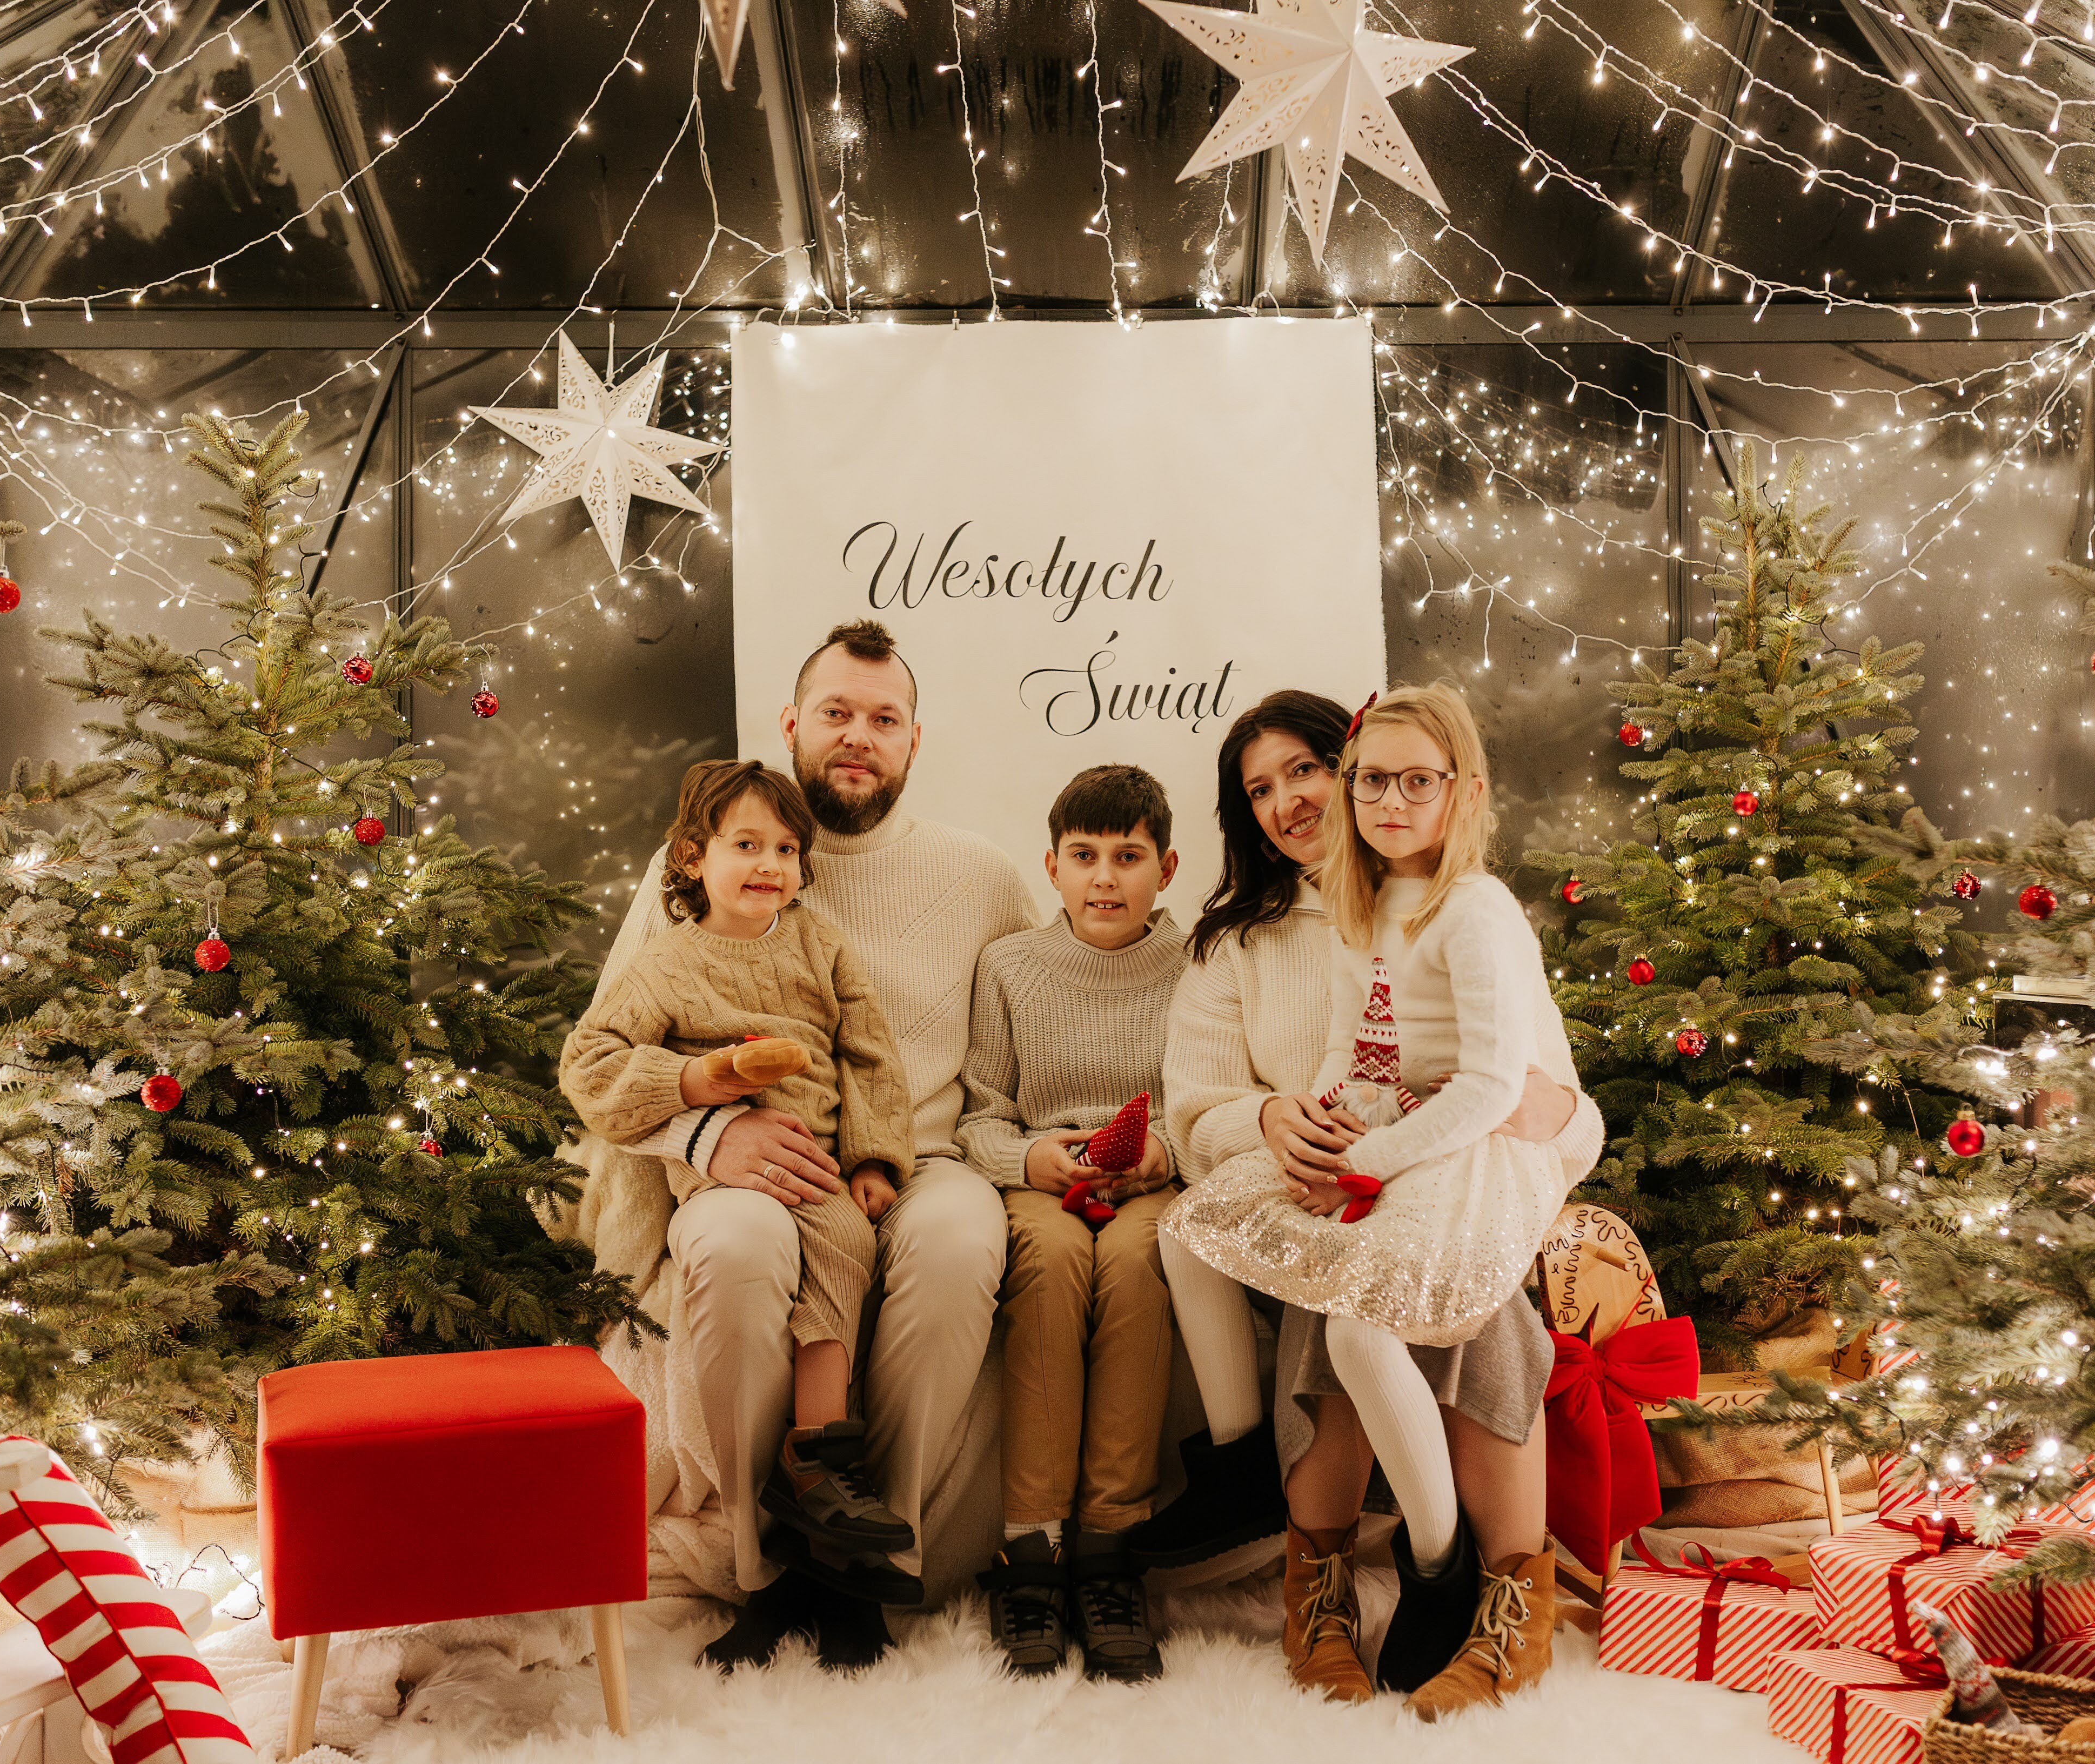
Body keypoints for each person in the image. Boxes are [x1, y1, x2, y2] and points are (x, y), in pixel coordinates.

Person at [566, 619, 1033, 1672]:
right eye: (835, 712)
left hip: (917, 1159)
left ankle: (866, 1558)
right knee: (732, 1248)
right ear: (791, 723)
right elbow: (607, 1049)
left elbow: (1036, 1016)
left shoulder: (981, 876)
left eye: (884, 718)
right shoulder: (701, 868)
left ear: (914, 740)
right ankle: (765, 1567)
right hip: (738, 1155)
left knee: (959, 1239)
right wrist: (707, 1127)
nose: (858, 735)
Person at [1159, 684, 1604, 1721]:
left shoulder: (1469, 905)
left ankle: (1493, 1593)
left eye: (1305, 772)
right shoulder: (1245, 937)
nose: (1288, 801)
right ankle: (1318, 1569)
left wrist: (1533, 1124)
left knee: (1460, 1304)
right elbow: (1203, 1108)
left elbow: (1528, 1085)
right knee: (1326, 1287)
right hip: (1371, 1141)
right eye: (1257, 790)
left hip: (1455, 1146)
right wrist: (1283, 1123)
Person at [560, 760, 918, 1567]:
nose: (770, 866)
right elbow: (588, 1064)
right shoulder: (666, 964)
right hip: (722, 1164)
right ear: (693, 858)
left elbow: (871, 1056)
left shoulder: (820, 946)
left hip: (814, 1163)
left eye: (787, 850)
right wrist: (692, 1082)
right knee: (747, 1248)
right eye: (747, 845)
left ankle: (816, 1457)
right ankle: (797, 1478)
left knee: (848, 1243)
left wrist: (874, 1161)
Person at [957, 765, 1189, 1683]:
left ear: (1166, 868)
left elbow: (1210, 1099)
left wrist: (1162, 1152)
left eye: (1128, 857)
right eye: (1084, 856)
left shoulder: (1199, 966)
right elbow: (978, 1115)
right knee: (1051, 1263)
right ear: (1050, 867)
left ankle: (1108, 1549)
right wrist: (1027, 1160)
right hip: (1041, 1180)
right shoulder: (1008, 967)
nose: (1105, 878)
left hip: (1154, 1184)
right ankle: (1029, 1551)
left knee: (1136, 1264)